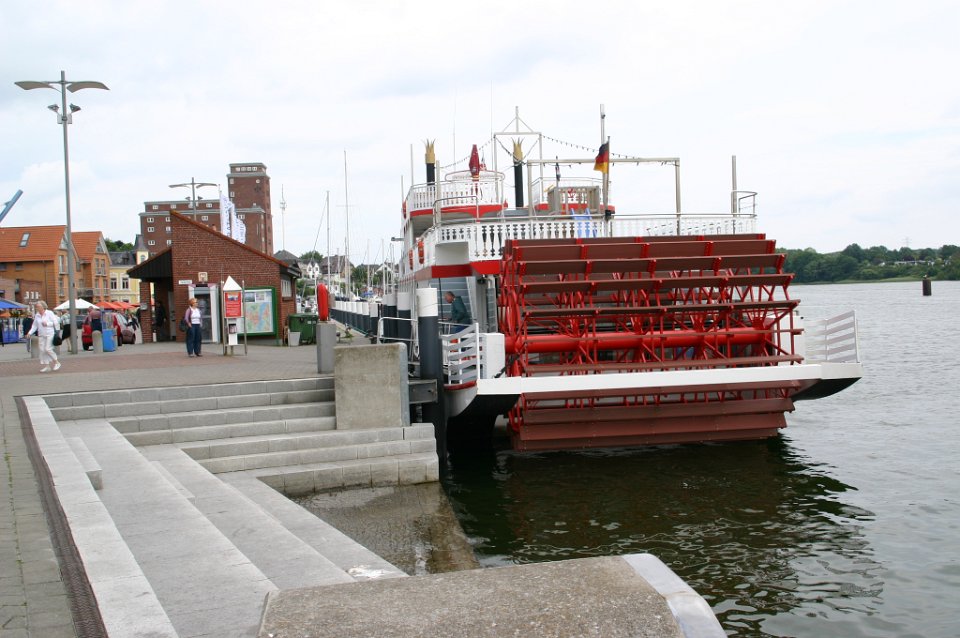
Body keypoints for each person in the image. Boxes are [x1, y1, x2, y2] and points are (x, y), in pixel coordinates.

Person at [25, 300, 61, 372]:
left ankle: (57, 362)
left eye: (38, 306)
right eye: (36, 307)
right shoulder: (37, 315)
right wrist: (29, 333)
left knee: (48, 349)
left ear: (43, 306)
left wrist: (47, 324)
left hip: (49, 334)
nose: (37, 308)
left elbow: (56, 322)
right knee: (42, 350)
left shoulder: (49, 313)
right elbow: (34, 325)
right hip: (41, 335)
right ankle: (47, 366)